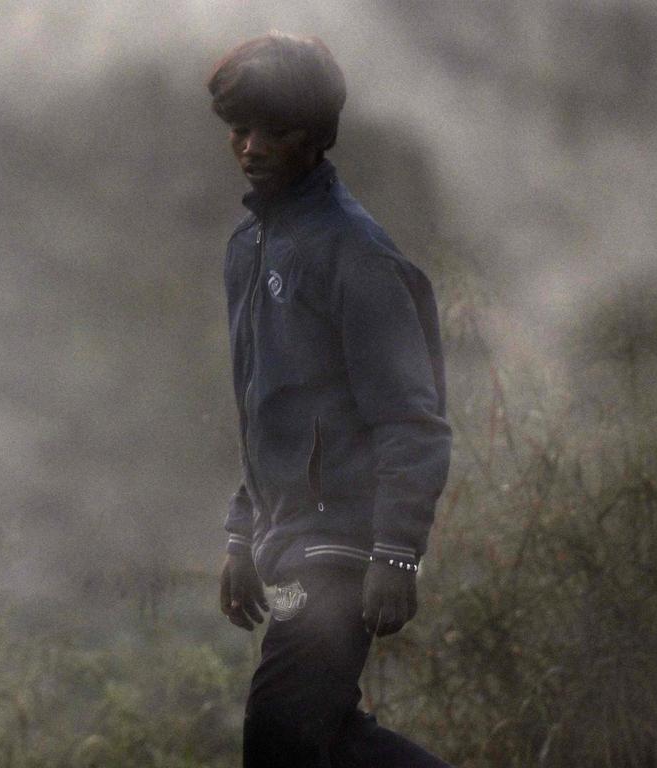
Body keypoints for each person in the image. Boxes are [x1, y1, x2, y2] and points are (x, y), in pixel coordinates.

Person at [208, 32, 454, 767]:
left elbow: (413, 420)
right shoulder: (249, 247)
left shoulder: (357, 255)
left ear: (315, 136)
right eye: (240, 129)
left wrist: (397, 556)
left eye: (274, 131)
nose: (251, 146)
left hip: (344, 546)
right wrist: (239, 534)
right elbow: (268, 411)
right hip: (288, 541)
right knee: (327, 741)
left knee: (281, 738)